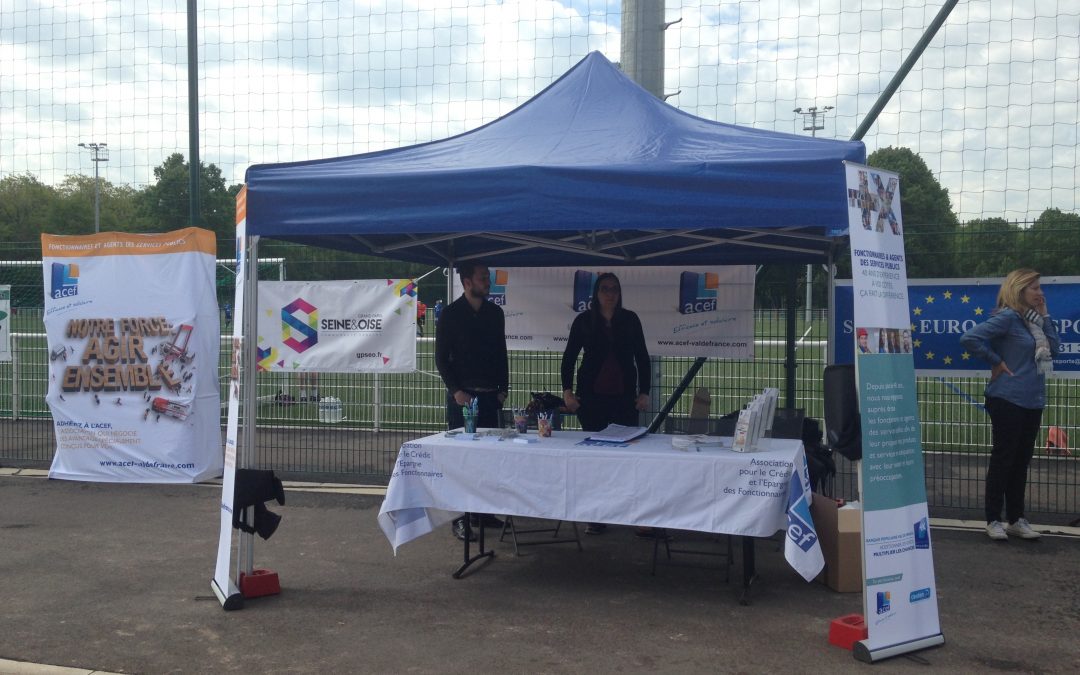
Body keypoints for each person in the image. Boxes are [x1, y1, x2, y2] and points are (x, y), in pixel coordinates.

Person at [960, 268, 1059, 541]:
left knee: (1021, 461)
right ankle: (993, 519)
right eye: (1035, 288)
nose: (1040, 292)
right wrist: (995, 360)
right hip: (1007, 398)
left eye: (1040, 287)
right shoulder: (1008, 318)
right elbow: (969, 338)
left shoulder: (1036, 321)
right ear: (1019, 291)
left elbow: (1056, 348)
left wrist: (1046, 315)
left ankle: (1016, 518)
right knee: (1004, 458)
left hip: (1032, 399)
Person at [561, 272, 651, 535]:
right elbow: (568, 359)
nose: (610, 293)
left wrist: (644, 392)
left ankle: (632, 514)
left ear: (620, 293)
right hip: (591, 400)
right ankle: (595, 515)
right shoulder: (583, 321)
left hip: (624, 399)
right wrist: (568, 393)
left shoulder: (631, 319)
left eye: (614, 289)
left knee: (628, 457)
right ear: (596, 294)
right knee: (594, 458)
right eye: (604, 289)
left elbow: (642, 358)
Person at [435, 263, 510, 540]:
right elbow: (441, 358)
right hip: (462, 398)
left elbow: (502, 353)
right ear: (467, 282)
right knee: (460, 461)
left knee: (488, 459)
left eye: (488, 278)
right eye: (482, 279)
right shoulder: (451, 315)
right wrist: (456, 391)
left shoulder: (495, 313)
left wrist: (503, 389)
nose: (487, 283)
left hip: (490, 396)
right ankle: (459, 518)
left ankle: (484, 513)